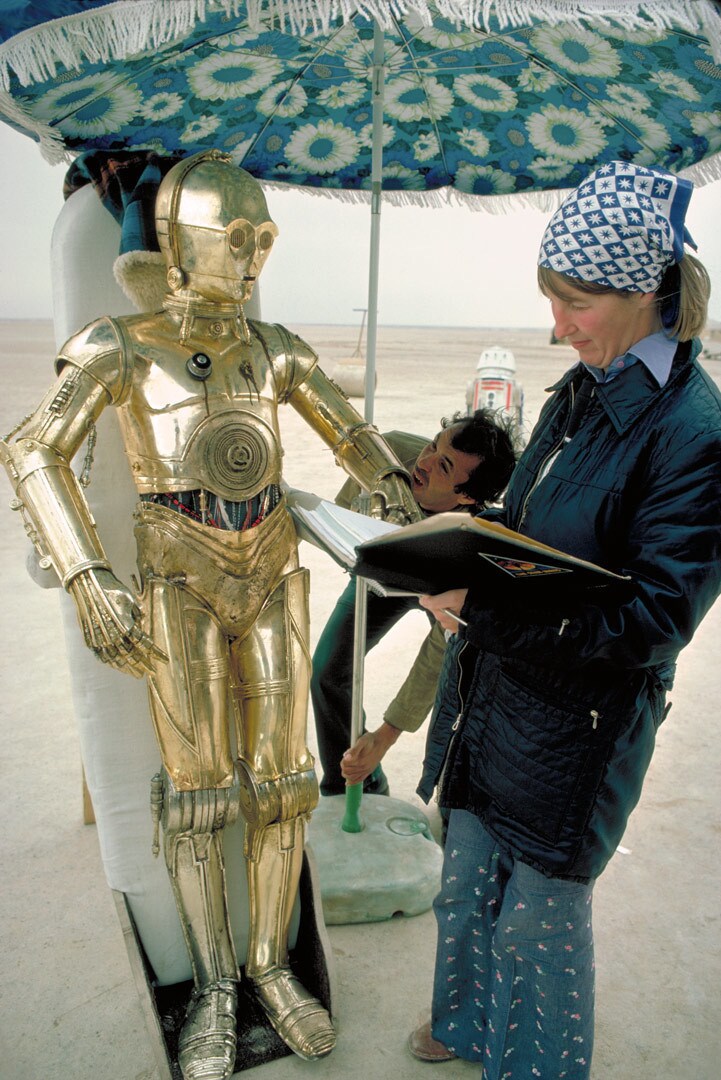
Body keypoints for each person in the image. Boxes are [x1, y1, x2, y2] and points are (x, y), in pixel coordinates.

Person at [0, 150, 423, 1080]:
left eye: (262, 239)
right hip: (178, 578)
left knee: (281, 787)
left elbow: (344, 428)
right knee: (196, 800)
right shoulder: (117, 344)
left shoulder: (274, 351)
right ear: (183, 247)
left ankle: (271, 966)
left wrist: (393, 486)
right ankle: (212, 990)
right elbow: (33, 452)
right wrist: (87, 576)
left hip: (269, 566)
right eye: (236, 239)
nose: (253, 257)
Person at [409, 160, 721, 1076]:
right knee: (463, 892)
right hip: (494, 697)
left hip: (573, 731)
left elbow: (648, 624)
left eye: (575, 301)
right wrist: (454, 547)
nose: (555, 326)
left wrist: (486, 612)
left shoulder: (693, 434)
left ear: (648, 292)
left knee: (534, 935)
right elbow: (527, 523)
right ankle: (463, 1032)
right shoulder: (580, 389)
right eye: (551, 298)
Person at [310, 411, 517, 797]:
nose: (422, 463)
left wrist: (385, 737)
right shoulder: (389, 451)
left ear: (467, 496)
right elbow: (340, 517)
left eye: (443, 466)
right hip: (383, 563)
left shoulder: (469, 544)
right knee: (327, 669)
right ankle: (351, 783)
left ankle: (448, 795)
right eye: (432, 445)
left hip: (436, 577)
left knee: (455, 687)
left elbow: (437, 653)